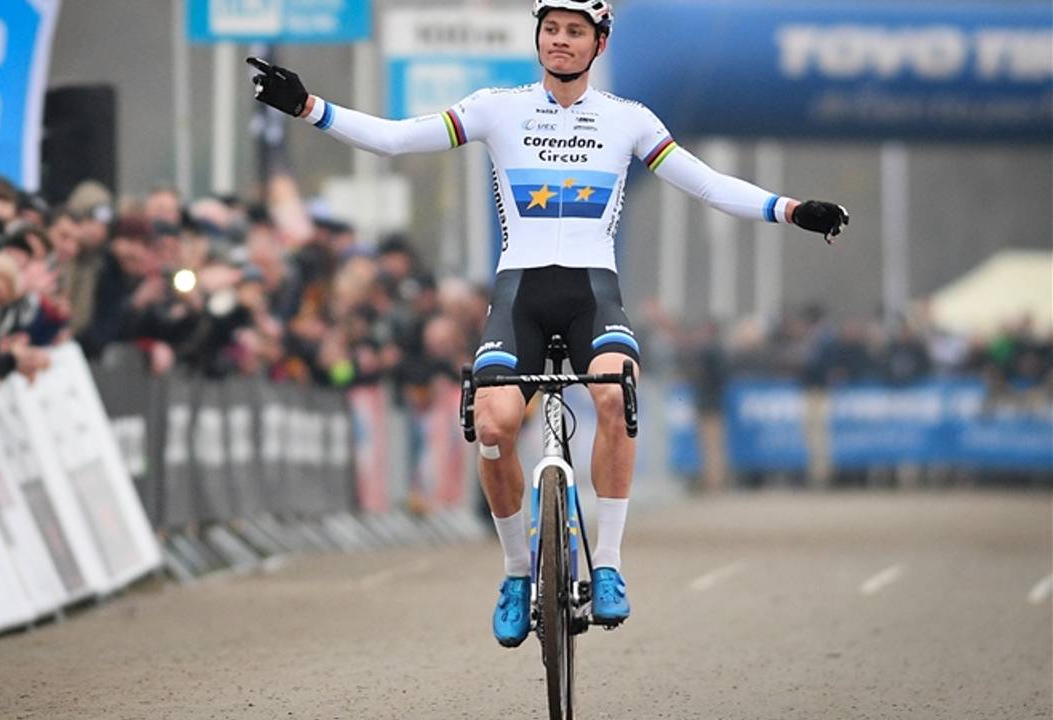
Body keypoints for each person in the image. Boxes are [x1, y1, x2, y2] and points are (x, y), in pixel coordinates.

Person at [249, 0, 849, 648]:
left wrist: (790, 210)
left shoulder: (628, 120)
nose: (561, 42)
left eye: (575, 33)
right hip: (520, 296)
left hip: (594, 293)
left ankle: (611, 566)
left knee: (616, 395)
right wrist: (310, 107)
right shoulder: (496, 107)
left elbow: (704, 184)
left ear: (599, 43)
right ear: (538, 37)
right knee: (493, 425)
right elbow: (397, 138)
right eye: (552, 30)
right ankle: (514, 573)